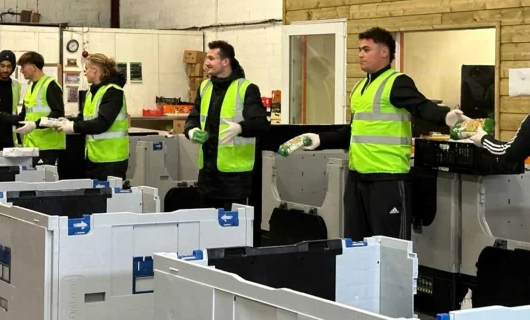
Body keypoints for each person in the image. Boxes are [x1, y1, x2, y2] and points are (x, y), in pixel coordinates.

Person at [301, 27, 467, 241]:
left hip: (387, 181)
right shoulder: (360, 87)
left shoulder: (396, 82)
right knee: (356, 246)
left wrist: (445, 117)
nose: (360, 54)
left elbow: (422, 106)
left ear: (384, 52)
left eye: (366, 49)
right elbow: (354, 131)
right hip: (357, 180)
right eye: (359, 49)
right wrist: (320, 139)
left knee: (389, 249)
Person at [184, 40, 270, 210]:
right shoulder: (205, 87)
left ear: (225, 62)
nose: (206, 63)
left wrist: (241, 128)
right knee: (208, 227)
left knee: (234, 230)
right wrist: (191, 130)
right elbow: (193, 117)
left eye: (210, 58)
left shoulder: (246, 89)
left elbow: (261, 124)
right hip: (208, 176)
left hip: (235, 180)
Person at [55, 53, 129, 179]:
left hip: (111, 159)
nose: (85, 73)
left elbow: (102, 123)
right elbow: (84, 117)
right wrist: (66, 121)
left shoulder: (113, 92)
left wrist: (73, 127)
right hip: (93, 157)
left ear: (94, 71)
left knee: (110, 197)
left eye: (86, 69)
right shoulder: (92, 92)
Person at [0, 51, 65, 164]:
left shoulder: (50, 85)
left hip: (48, 148)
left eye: (23, 67)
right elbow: (22, 117)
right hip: (31, 148)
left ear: (33, 67)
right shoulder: (30, 88)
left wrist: (35, 124)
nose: (21, 71)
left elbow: (58, 114)